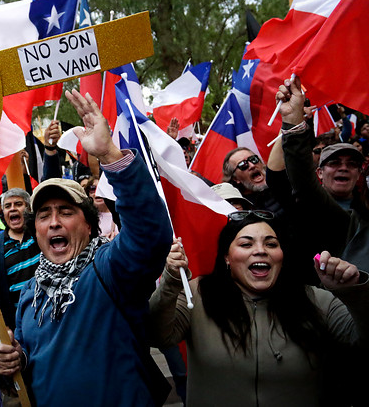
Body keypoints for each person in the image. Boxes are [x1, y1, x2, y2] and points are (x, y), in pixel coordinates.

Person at [0, 89, 172, 406]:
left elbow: (149, 234)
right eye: (44, 215)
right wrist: (16, 361)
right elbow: (34, 358)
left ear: (89, 225)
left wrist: (110, 156)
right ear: (36, 231)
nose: (53, 223)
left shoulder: (110, 269)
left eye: (65, 212)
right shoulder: (31, 293)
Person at [149, 211, 369, 406]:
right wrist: (170, 282)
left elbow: (361, 341)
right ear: (227, 257)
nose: (260, 251)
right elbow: (158, 335)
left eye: (271, 244)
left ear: (282, 256)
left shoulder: (317, 301)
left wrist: (353, 292)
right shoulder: (196, 295)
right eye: (246, 244)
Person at [279, 76, 369, 271]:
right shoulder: (309, 205)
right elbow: (303, 181)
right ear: (319, 173)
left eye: (352, 164)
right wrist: (293, 123)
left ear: (359, 173)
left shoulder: (365, 212)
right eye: (334, 163)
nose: (343, 168)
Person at [0, 188, 41, 330]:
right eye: (7, 206)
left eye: (18, 204)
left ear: (28, 209)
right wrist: (5, 326)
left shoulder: (40, 232)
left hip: (49, 311)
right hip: (20, 321)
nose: (12, 209)